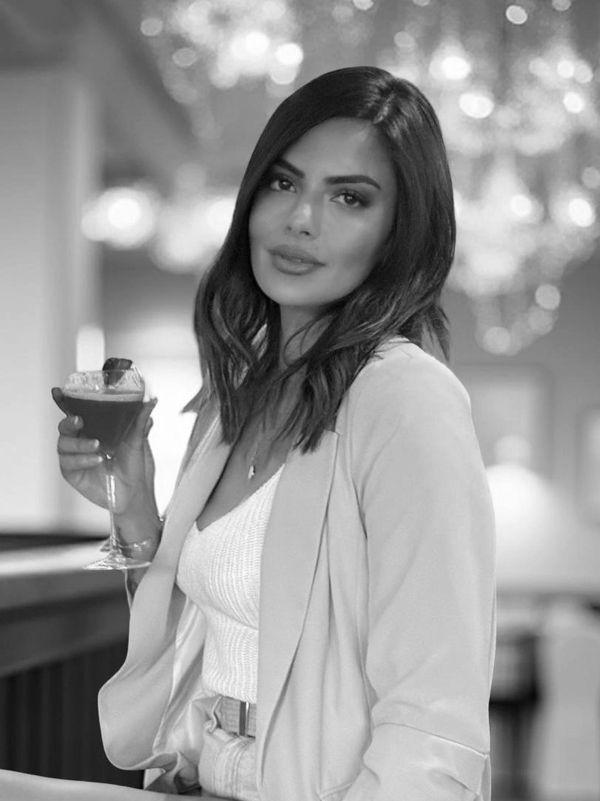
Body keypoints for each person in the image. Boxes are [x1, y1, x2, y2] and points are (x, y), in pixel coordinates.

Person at [2, 66, 496, 800]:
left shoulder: (406, 399)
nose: (302, 219)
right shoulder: (240, 393)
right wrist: (135, 506)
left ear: (400, 233)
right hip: (197, 777)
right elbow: (200, 625)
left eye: (350, 198)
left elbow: (434, 725)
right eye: (283, 183)